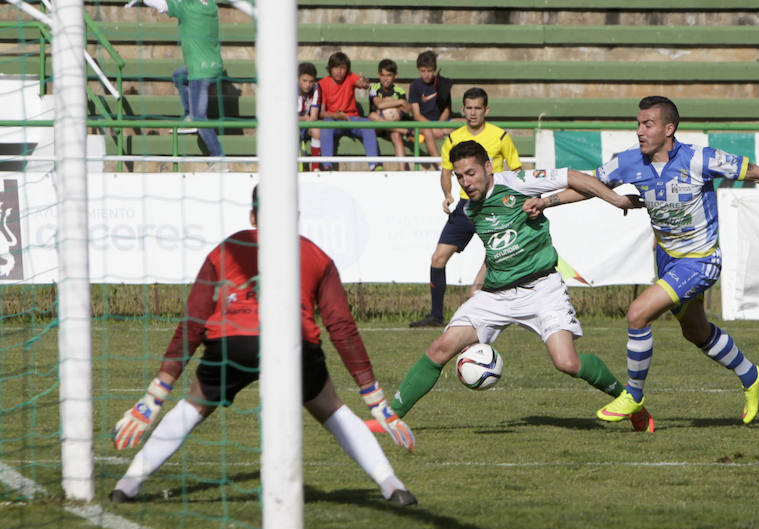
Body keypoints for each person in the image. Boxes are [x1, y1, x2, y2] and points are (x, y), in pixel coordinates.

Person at [526, 96, 759, 427]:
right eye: (637, 124)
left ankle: (634, 395)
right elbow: (591, 184)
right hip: (668, 259)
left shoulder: (700, 159)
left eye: (647, 124)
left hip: (701, 260)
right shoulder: (630, 162)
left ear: (669, 128)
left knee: (637, 314)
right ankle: (752, 376)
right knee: (696, 331)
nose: (639, 131)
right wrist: (547, 201)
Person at [110, 186, 417, 506]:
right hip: (293, 343)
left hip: (232, 343)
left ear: (253, 216)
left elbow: (193, 323)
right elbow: (341, 327)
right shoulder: (316, 254)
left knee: (194, 405)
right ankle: (392, 486)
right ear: (295, 217)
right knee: (331, 409)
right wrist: (374, 398)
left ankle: (127, 484)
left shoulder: (225, 249)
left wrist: (155, 395)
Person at [372, 140, 655, 433]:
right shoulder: (467, 210)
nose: (466, 182)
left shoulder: (517, 182)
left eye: (471, 173)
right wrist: (479, 281)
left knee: (567, 363)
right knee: (440, 348)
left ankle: (630, 402)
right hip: (495, 296)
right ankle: (390, 418)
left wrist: (616, 200)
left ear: (488, 167)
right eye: (459, 176)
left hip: (542, 289)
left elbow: (573, 176)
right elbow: (486, 244)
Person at [410, 87, 522, 328]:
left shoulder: (500, 136)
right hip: (465, 206)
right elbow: (446, 171)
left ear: (486, 110)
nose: (473, 113)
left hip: (494, 205)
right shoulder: (453, 138)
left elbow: (517, 170)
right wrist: (448, 194)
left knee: (496, 255)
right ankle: (436, 316)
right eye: (469, 108)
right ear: (463, 109)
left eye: (477, 108)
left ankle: (491, 304)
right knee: (438, 258)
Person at [142, 0, 226, 171]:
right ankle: (189, 115)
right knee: (179, 75)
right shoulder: (211, 5)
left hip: (199, 72)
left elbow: (161, 5)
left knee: (199, 117)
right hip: (214, 65)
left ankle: (218, 157)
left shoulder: (186, 8)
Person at [318, 52, 380, 171]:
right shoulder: (323, 84)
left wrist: (365, 83)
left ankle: (374, 165)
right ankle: (326, 166)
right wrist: (337, 115)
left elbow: (362, 83)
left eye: (342, 68)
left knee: (367, 124)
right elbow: (321, 112)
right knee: (326, 125)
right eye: (336, 67)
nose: (339, 71)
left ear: (347, 69)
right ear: (330, 68)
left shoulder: (350, 77)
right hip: (334, 120)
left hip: (352, 119)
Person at [409, 50, 452, 168]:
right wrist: (434, 127)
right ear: (418, 70)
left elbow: (447, 110)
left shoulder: (442, 83)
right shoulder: (415, 86)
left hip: (441, 122)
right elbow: (416, 115)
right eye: (423, 71)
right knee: (428, 132)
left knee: (463, 124)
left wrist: (439, 125)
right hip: (423, 124)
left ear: (435, 69)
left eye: (430, 71)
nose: (426, 74)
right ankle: (441, 166)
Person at [367, 58, 411, 169]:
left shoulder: (399, 91)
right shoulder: (374, 88)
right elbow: (379, 105)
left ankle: (402, 170)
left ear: (395, 76)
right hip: (378, 127)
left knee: (396, 135)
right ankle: (404, 131)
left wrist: (397, 102)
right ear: (378, 75)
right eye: (383, 75)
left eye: (389, 75)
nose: (385, 79)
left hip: (392, 126)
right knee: (372, 116)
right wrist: (395, 103)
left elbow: (406, 110)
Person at [298, 62, 322, 171]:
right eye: (304, 81)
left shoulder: (316, 89)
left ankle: (315, 169)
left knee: (317, 129)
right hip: (290, 126)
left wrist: (305, 119)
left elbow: (313, 118)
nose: (308, 85)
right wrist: (304, 118)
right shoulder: (289, 89)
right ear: (298, 79)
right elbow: (285, 117)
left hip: (306, 125)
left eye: (311, 81)